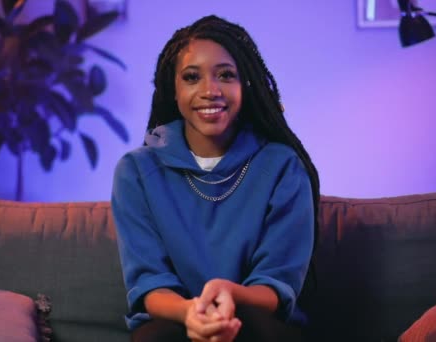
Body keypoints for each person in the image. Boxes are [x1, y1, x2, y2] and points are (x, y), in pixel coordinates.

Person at [111, 14, 320, 342]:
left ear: (245, 85)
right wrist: (192, 314)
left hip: (256, 321)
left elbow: (277, 286)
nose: (210, 91)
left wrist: (229, 296)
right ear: (173, 90)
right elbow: (150, 285)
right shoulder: (135, 171)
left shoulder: (283, 166)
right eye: (192, 77)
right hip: (174, 321)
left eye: (226, 75)